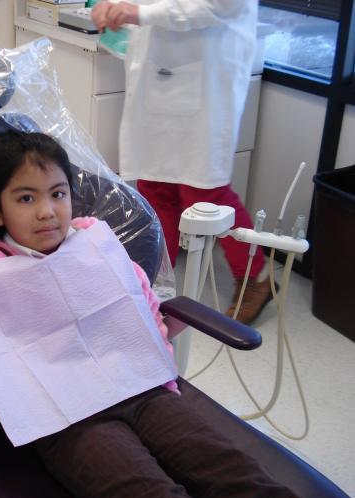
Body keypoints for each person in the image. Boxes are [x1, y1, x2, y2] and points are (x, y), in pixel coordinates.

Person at [0, 130, 299, 498]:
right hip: (69, 419)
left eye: (58, 193)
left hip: (144, 392)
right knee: (148, 494)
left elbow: (141, 304)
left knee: (232, 471)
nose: (47, 211)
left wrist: (156, 341)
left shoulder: (93, 245)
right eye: (26, 198)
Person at [91, 0, 273, 324]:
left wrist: (138, 13)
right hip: (160, 73)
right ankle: (155, 283)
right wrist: (112, 8)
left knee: (205, 191)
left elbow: (221, 6)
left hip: (205, 75)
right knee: (154, 185)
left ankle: (255, 277)